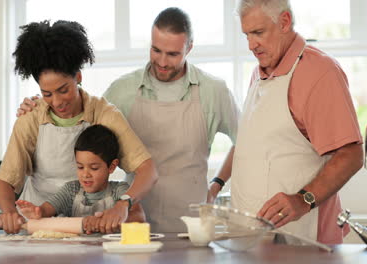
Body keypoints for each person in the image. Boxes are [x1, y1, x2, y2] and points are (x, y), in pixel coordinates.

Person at [17, 8, 240, 233]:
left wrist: (217, 184)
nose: (162, 61)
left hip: (192, 225)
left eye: (172, 54)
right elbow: (80, 119)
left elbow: (244, 142)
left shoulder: (214, 91)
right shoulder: (122, 91)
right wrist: (43, 103)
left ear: (189, 48)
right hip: (132, 223)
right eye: (155, 50)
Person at [219, 0, 363, 244]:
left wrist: (303, 199)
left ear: (284, 22)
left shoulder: (320, 72)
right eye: (246, 35)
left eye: (258, 33)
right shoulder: (258, 74)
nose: (251, 45)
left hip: (299, 241)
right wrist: (218, 183)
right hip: (252, 241)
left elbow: (351, 155)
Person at [0, 20, 157, 234]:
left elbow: (148, 171)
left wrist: (123, 204)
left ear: (78, 77)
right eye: (47, 94)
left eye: (63, 90)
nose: (57, 101)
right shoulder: (31, 118)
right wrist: (8, 212)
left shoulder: (104, 114)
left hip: (87, 230)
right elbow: (5, 183)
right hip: (39, 228)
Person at [17, 124, 145, 234]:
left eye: (94, 168)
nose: (85, 174)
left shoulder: (119, 191)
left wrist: (110, 220)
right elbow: (46, 210)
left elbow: (139, 217)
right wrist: (37, 212)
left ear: (111, 167)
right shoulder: (71, 191)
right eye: (80, 167)